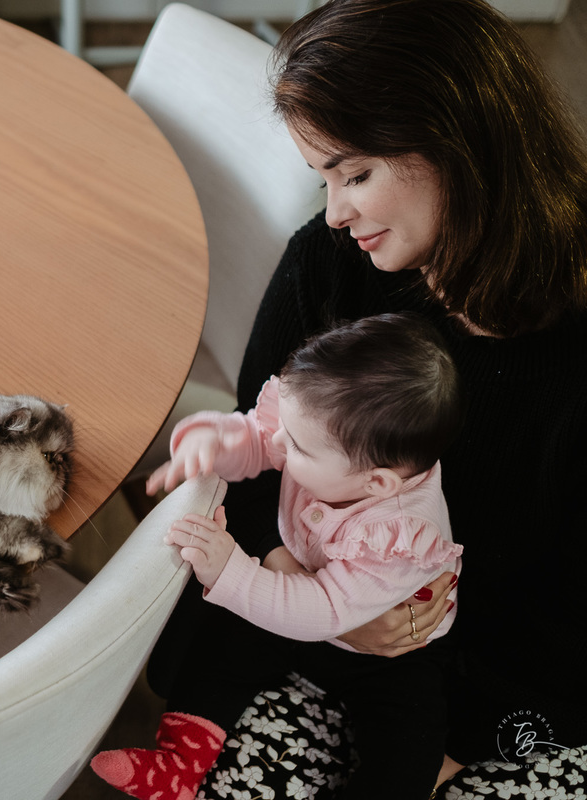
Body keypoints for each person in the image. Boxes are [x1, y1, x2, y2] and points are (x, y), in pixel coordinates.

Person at [143, 1, 587, 797]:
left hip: (530, 684)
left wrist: (449, 742)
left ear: (458, 143)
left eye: (356, 174)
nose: (337, 213)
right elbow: (254, 457)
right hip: (319, 620)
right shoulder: (330, 263)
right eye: (324, 178)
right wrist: (319, 602)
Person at [92, 313, 464, 800]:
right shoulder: (322, 435)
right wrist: (216, 441)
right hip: (299, 592)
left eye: (299, 447)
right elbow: (257, 439)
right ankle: (181, 763)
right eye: (285, 429)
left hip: (388, 651)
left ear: (376, 484)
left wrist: (232, 572)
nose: (279, 444)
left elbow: (324, 612)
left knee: (408, 740)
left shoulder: (397, 536)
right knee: (222, 638)